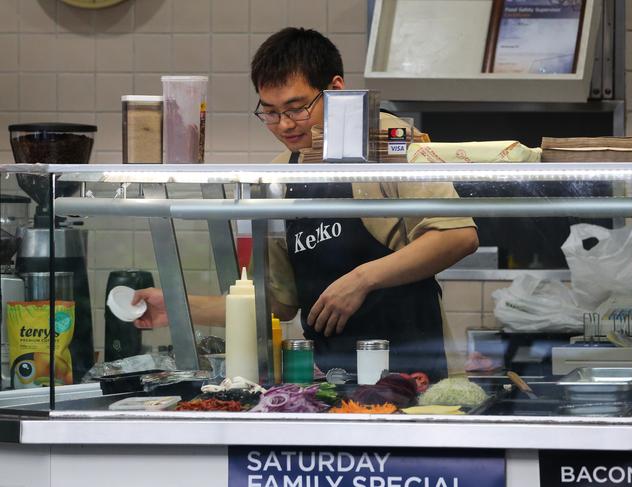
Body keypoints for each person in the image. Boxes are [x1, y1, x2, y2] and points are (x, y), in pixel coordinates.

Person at [134, 27, 479, 380]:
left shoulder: (388, 142)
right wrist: (178, 307)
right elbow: (279, 304)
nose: (284, 125)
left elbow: (457, 236)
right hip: (331, 383)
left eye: (297, 109)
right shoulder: (279, 179)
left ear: (337, 90)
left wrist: (361, 280)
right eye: (270, 112)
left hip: (415, 374)